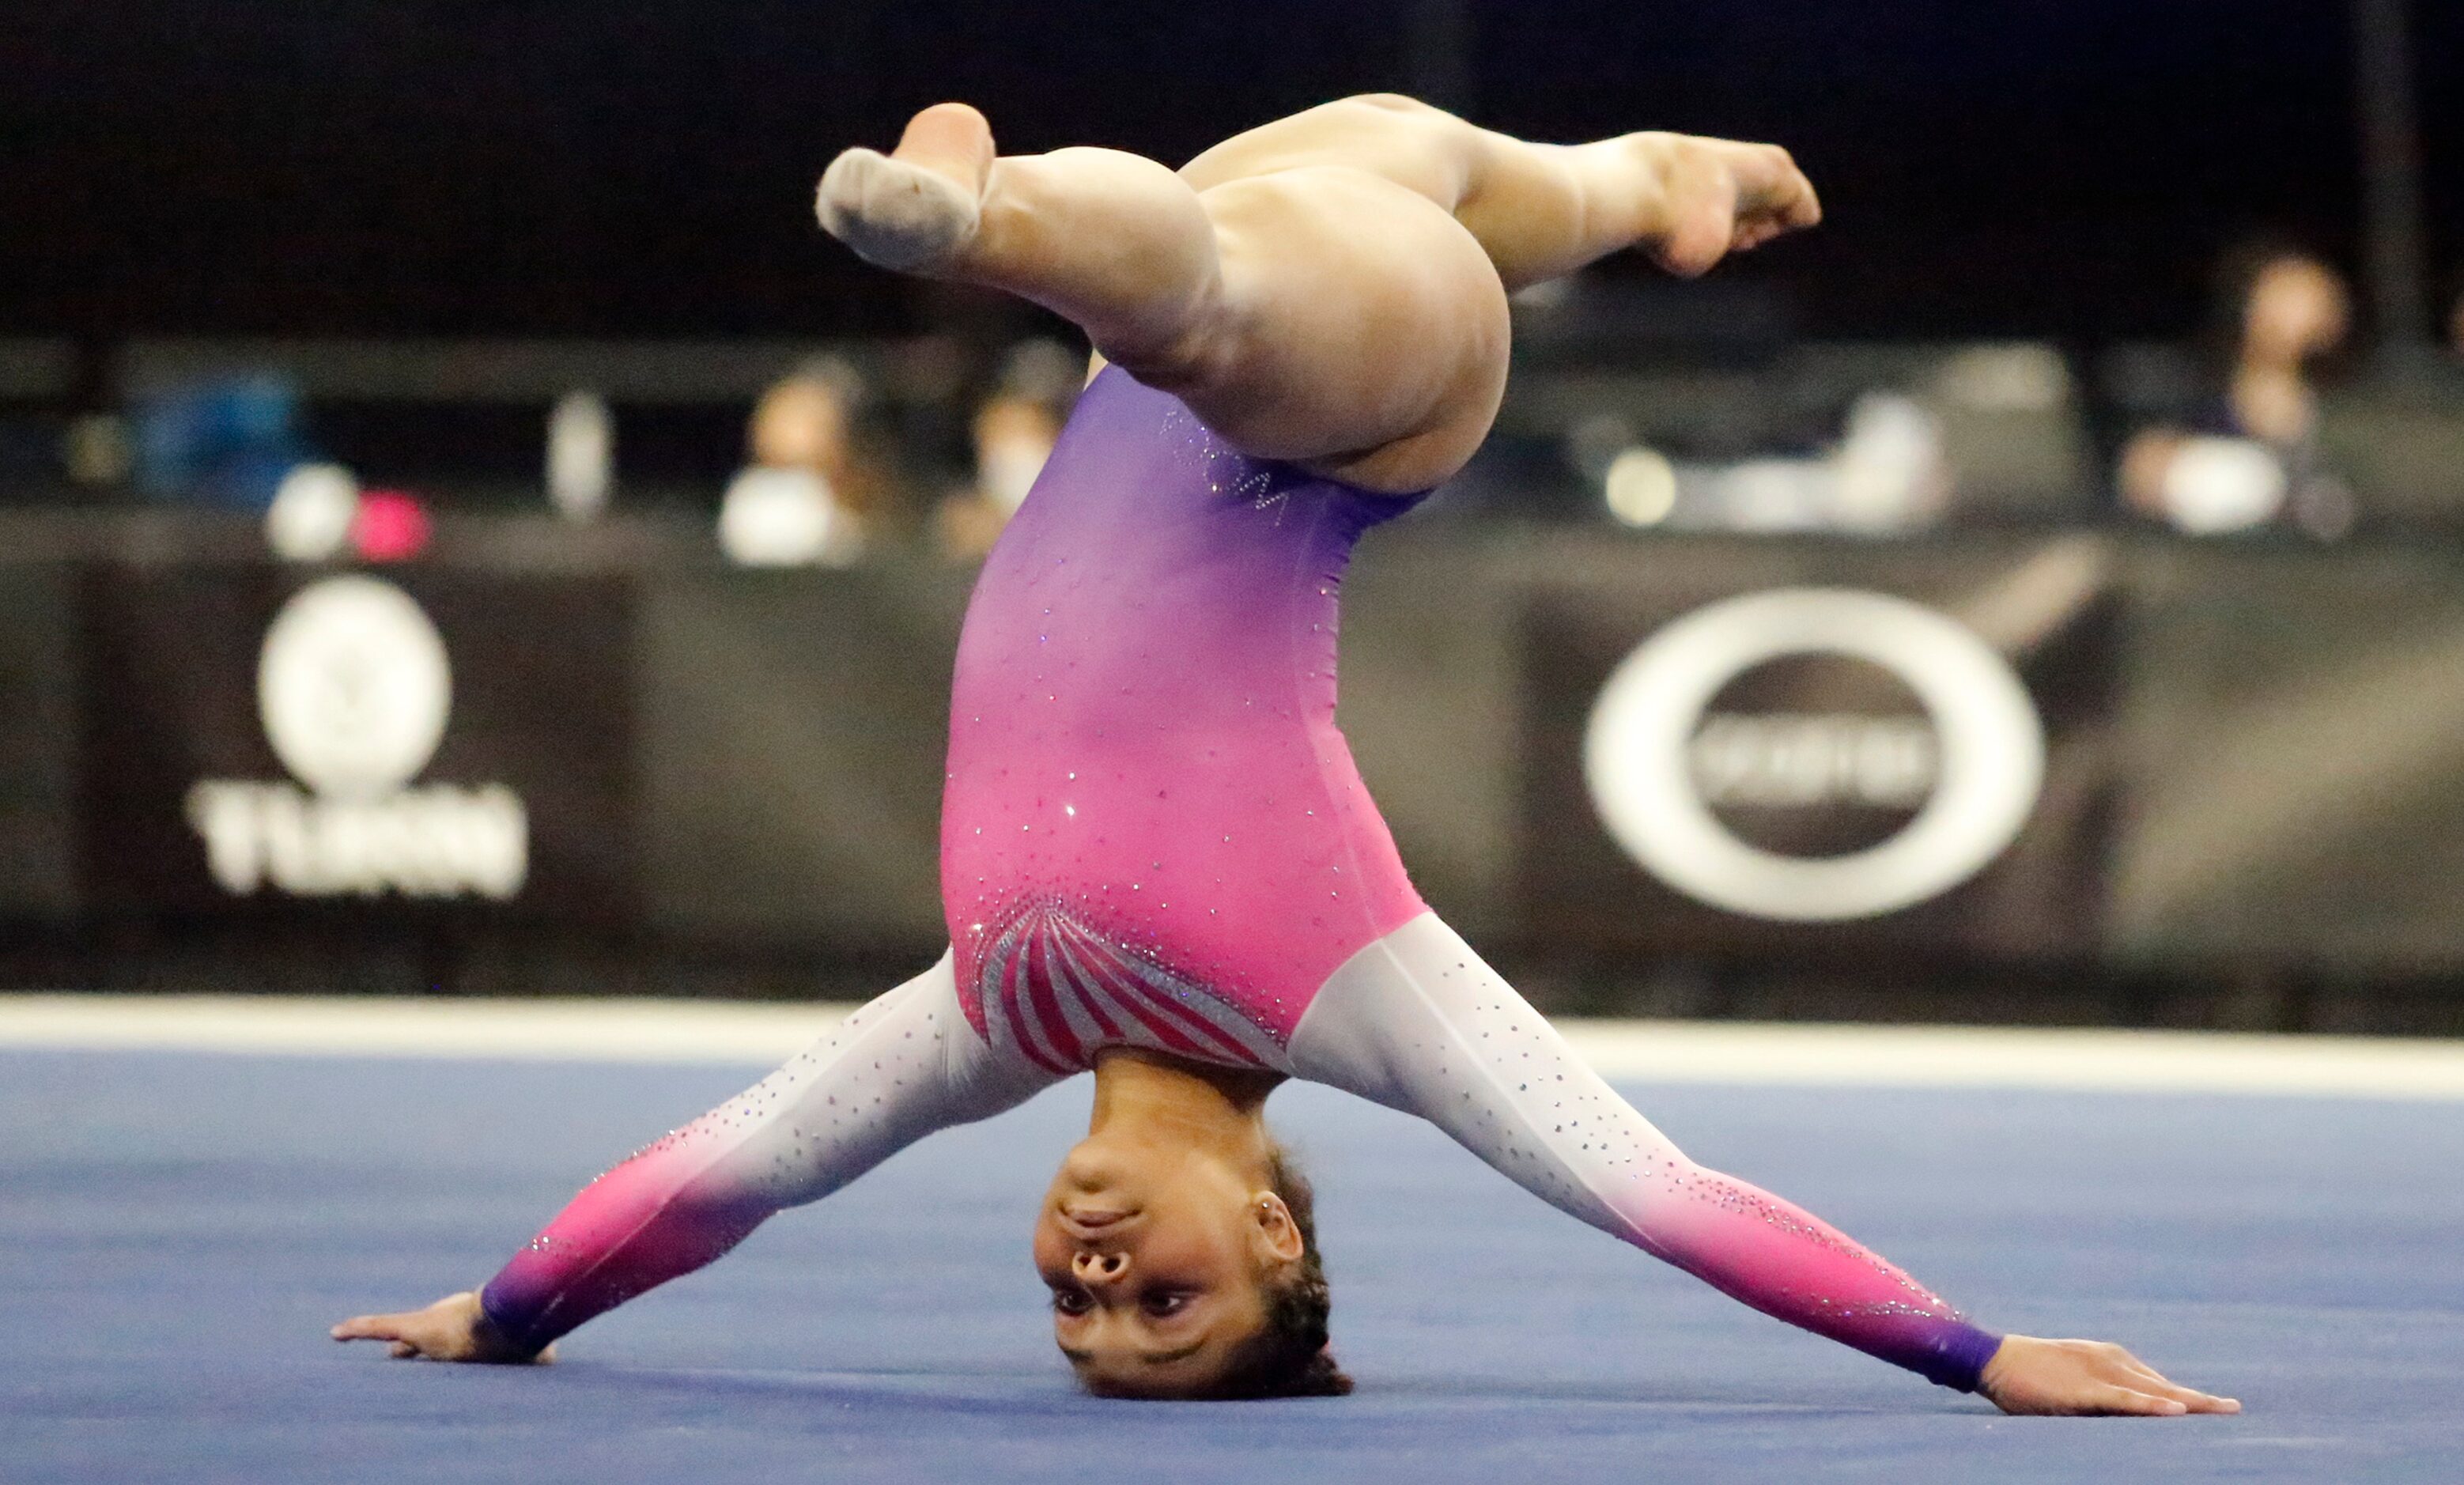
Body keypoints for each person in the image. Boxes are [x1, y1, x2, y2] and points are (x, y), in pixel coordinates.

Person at [335, 96, 2237, 1416]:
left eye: (1076, 1314)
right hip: (1344, 422)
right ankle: (985, 220)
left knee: (1309, 223)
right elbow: (1664, 1193)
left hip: (1184, 327)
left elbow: (719, 1176)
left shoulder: (997, 1015)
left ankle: (1629, 179)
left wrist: (508, 1316)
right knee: (1272, 265)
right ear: (1269, 1228)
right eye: (1166, 1299)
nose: (1093, 1274)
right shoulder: (1348, 985)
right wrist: (1978, 1353)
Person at [2118, 244, 2353, 538]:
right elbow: (2143, 472)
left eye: (2305, 304)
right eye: (2278, 299)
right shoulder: (2197, 395)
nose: (2289, 320)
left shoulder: (2349, 417)